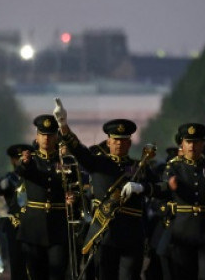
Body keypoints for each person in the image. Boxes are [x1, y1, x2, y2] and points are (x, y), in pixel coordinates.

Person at [55, 102, 164, 280]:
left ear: (129, 143)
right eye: (115, 140)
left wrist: (142, 187)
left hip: (132, 237)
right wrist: (63, 125)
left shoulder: (139, 167)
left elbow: (164, 189)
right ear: (108, 142)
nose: (119, 144)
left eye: (123, 140)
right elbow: (78, 150)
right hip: (105, 236)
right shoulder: (98, 163)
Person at [163, 123, 205, 280]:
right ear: (182, 144)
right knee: (183, 275)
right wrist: (170, 185)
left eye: (196, 142)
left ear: (203, 143)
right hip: (183, 231)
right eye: (188, 142)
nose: (192, 146)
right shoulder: (174, 167)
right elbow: (163, 190)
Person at [16, 114, 70, 280]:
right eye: (43, 135)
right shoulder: (30, 161)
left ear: (56, 137)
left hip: (58, 226)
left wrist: (73, 197)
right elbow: (23, 171)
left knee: (57, 273)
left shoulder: (66, 161)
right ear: (37, 137)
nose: (46, 138)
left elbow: (76, 185)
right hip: (34, 228)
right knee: (36, 274)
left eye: (50, 135)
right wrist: (25, 163)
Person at [0, 144, 31, 280]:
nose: (19, 161)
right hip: (16, 222)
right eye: (16, 158)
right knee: (16, 259)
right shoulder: (9, 178)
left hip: (32, 220)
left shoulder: (33, 176)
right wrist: (2, 185)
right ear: (12, 160)